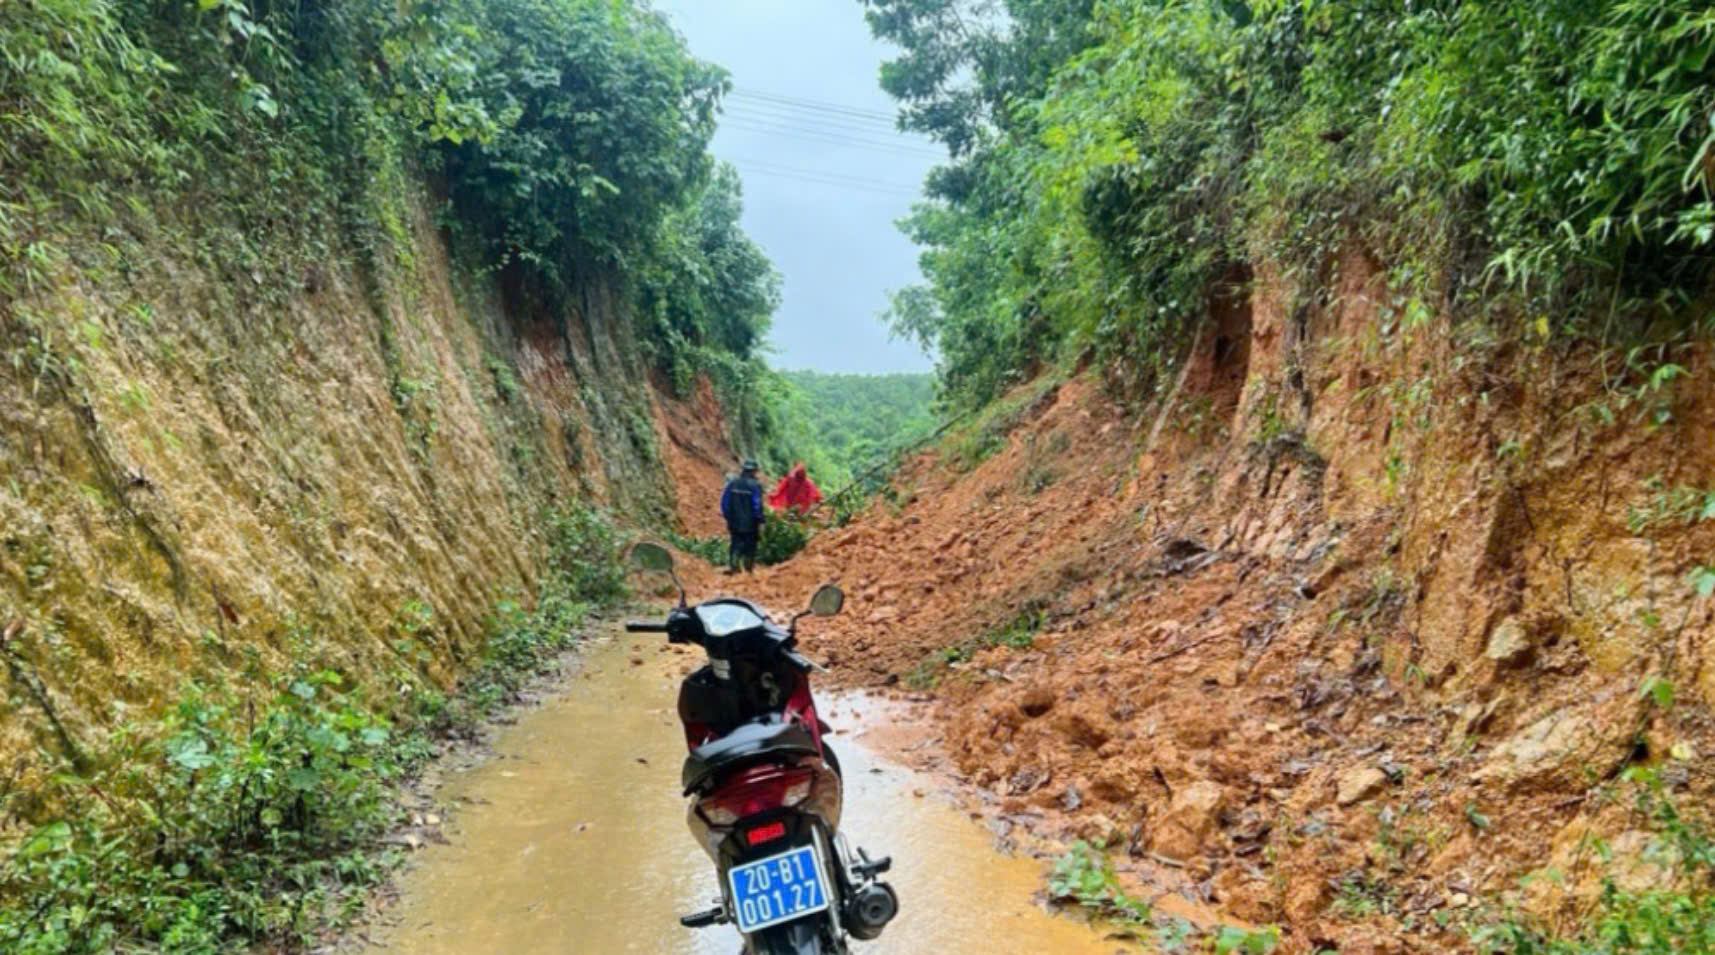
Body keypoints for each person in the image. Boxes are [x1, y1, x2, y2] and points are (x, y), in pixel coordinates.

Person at [720, 459, 765, 574]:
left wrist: (728, 516)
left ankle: (734, 567)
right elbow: (757, 505)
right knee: (750, 545)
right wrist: (760, 519)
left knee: (735, 543)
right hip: (750, 523)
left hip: (734, 521)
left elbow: (724, 502)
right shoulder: (755, 486)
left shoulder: (732, 483)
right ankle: (748, 569)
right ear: (754, 471)